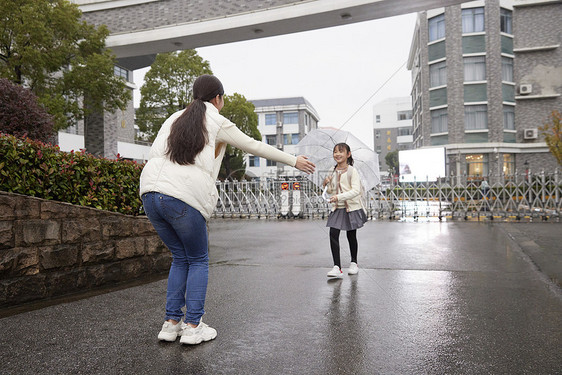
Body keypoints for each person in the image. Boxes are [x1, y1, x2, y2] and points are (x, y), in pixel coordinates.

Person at [139, 75, 315, 345]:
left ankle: (171, 323)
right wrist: (294, 160)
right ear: (218, 98)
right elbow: (254, 145)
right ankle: (193, 325)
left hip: (150, 193)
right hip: (183, 196)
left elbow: (155, 153)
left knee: (179, 257)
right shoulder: (216, 120)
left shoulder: (175, 117)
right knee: (197, 259)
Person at [322, 143, 367, 279]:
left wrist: (338, 197)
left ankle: (354, 263)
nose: (337, 154)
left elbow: (355, 190)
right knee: (333, 234)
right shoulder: (332, 170)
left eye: (341, 151)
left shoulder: (352, 171)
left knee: (351, 235)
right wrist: (326, 184)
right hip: (337, 207)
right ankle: (337, 267)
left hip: (351, 207)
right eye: (335, 152)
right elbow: (330, 190)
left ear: (348, 154)